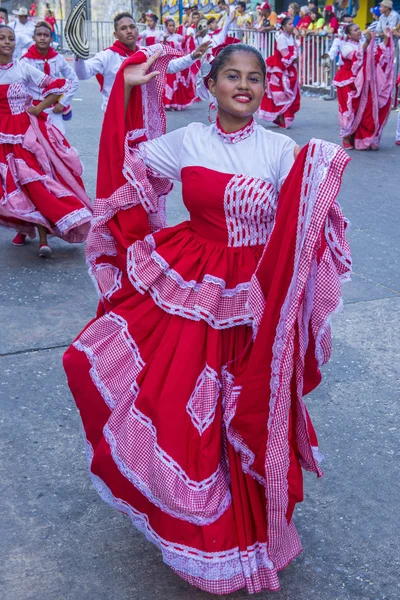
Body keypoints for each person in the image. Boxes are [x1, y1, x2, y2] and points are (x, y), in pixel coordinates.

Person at [63, 41, 352, 596]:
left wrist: (320, 170)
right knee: (178, 404)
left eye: (255, 78)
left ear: (264, 89)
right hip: (189, 283)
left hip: (254, 297)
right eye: (232, 76)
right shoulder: (188, 141)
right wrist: (126, 91)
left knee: (243, 406)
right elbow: (126, 170)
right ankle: (199, 523)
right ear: (211, 84)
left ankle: (249, 526)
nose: (244, 86)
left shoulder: (279, 149)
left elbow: (311, 220)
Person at [0, 25, 92, 256]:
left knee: (34, 179)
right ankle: (23, 228)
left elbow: (59, 85)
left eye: (11, 38)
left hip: (25, 131)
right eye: (1, 38)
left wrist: (38, 108)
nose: (7, 42)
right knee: (10, 183)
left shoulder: (23, 68)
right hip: (2, 134)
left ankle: (43, 239)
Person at [74, 13, 209, 113]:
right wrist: (78, 56)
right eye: (123, 28)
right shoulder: (107, 55)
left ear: (137, 31)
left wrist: (193, 55)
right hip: (114, 116)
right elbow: (83, 74)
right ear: (115, 34)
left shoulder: (145, 53)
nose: (129, 31)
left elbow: (171, 66)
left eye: (132, 27)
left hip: (141, 115)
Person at [333, 24, 394, 150]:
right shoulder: (346, 46)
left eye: (359, 29)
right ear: (349, 35)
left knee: (365, 110)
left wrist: (386, 38)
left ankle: (362, 138)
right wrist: (367, 42)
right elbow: (356, 56)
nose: (359, 31)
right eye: (355, 30)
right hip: (348, 83)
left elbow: (377, 56)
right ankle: (347, 137)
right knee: (350, 110)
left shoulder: (363, 44)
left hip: (364, 84)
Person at [21, 21, 79, 134]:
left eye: (46, 35)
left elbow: (74, 80)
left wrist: (63, 102)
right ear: (33, 37)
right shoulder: (25, 61)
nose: (42, 38)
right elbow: (20, 86)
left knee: (57, 138)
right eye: (39, 35)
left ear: (52, 39)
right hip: (32, 109)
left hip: (53, 109)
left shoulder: (58, 58)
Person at [259, 16, 300, 128]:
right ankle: (282, 116)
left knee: (290, 92)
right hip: (279, 69)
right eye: (290, 24)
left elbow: (293, 55)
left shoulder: (291, 37)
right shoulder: (282, 38)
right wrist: (295, 57)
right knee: (281, 93)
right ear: (283, 27)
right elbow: (286, 56)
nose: (293, 26)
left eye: (293, 24)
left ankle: (283, 116)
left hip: (290, 68)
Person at [162, 19, 197, 111]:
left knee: (178, 82)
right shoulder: (163, 37)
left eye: (173, 25)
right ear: (166, 27)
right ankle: (168, 103)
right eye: (170, 25)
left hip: (178, 61)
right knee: (170, 82)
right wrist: (165, 39)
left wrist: (191, 36)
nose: (172, 27)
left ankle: (176, 103)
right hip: (169, 62)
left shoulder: (177, 37)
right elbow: (162, 47)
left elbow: (186, 41)